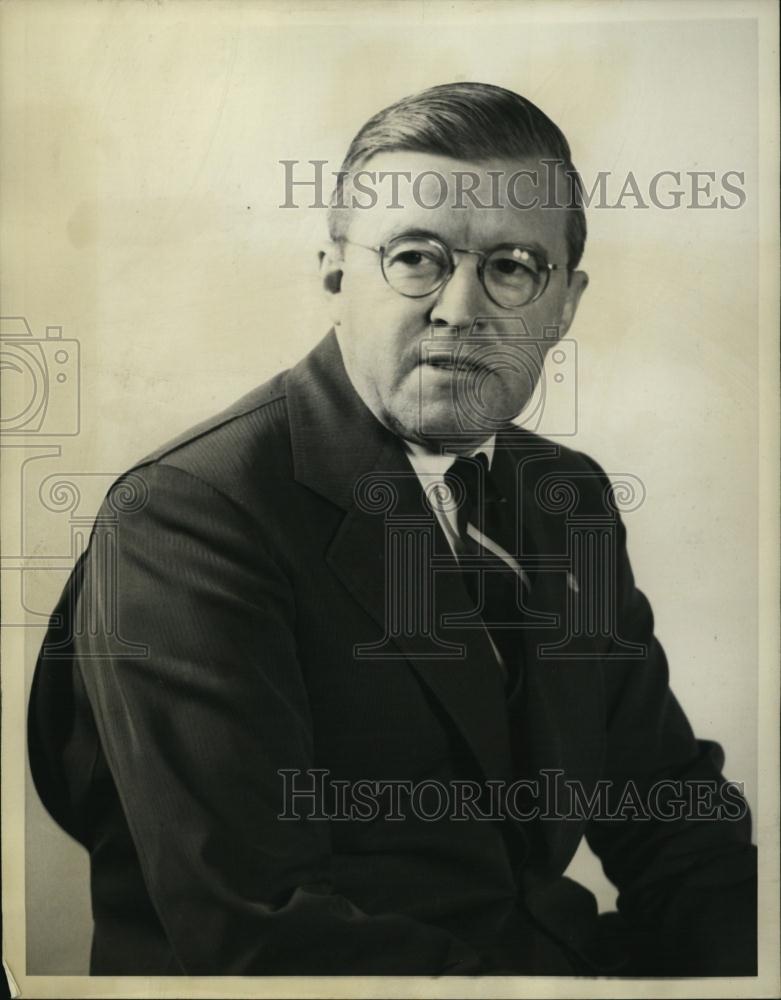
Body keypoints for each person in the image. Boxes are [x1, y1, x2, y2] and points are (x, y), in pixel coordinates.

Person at [28, 82, 756, 977]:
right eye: (415, 257)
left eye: (513, 266)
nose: (459, 307)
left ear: (563, 302)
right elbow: (261, 933)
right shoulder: (188, 516)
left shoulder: (567, 497)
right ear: (335, 274)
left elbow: (667, 813)